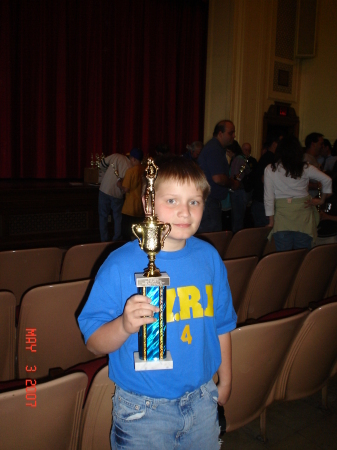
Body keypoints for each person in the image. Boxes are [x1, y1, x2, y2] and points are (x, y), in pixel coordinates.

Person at [78, 156, 237, 450]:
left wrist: (225, 379)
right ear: (148, 204)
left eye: (194, 202)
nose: (184, 212)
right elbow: (93, 342)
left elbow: (223, 324)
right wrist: (124, 325)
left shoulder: (209, 258)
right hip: (143, 411)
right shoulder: (119, 264)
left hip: (202, 400)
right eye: (172, 200)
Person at [264, 135, 332, 251]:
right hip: (303, 216)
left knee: (284, 258)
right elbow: (327, 180)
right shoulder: (305, 167)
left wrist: (271, 222)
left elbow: (269, 197)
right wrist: (321, 200)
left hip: (282, 217)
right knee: (300, 258)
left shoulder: (270, 169)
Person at [198, 120, 240, 232]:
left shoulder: (215, 148)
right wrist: (232, 183)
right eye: (231, 133)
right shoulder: (214, 148)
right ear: (220, 134)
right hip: (209, 202)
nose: (234, 136)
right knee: (211, 238)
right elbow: (218, 178)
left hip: (209, 201)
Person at [99, 153, 132, 241]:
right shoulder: (130, 166)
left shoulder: (115, 156)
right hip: (117, 193)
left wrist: (106, 172)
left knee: (103, 217)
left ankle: (104, 240)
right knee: (117, 218)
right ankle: (116, 239)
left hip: (104, 189)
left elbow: (102, 164)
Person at [251, 133, 282, 227]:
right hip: (263, 203)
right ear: (274, 144)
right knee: (266, 235)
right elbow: (264, 179)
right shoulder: (271, 159)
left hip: (259, 202)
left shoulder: (266, 157)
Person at [118, 148, 145, 241]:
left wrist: (120, 185)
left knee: (127, 234)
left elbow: (126, 189)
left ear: (133, 159)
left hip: (129, 208)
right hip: (141, 207)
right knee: (139, 234)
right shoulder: (145, 169)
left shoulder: (131, 171)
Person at [228, 141, 251, 233]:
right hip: (241, 191)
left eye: (228, 151)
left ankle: (236, 241)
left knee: (237, 220)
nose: (227, 154)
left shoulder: (237, 159)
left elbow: (236, 177)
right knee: (238, 219)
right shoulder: (241, 159)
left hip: (238, 191)